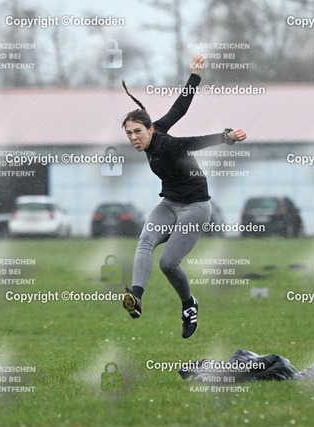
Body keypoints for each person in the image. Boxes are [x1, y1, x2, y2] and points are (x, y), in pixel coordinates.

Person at [121, 54, 247, 339]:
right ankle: (136, 298)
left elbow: (193, 142)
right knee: (145, 239)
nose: (133, 138)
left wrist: (226, 137)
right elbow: (180, 107)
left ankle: (189, 305)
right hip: (169, 204)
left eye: (137, 132)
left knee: (168, 263)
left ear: (150, 129)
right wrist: (195, 76)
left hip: (196, 207)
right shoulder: (156, 131)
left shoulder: (165, 144)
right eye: (129, 133)